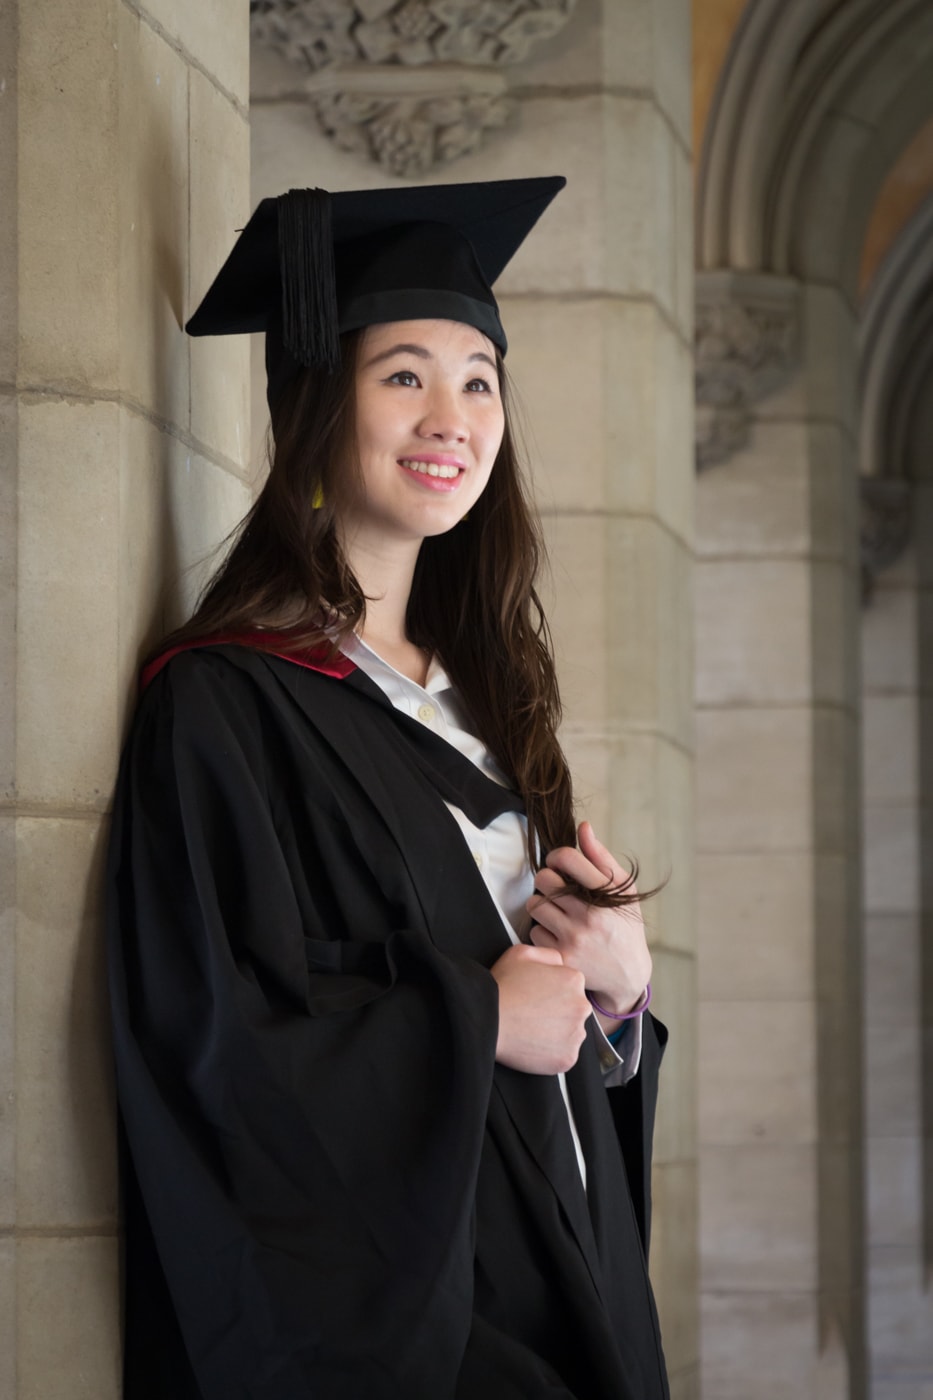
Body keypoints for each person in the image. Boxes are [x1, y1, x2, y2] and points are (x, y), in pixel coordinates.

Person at [107, 176, 670, 1400]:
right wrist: (478, 1021)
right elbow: (216, 1044)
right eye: (403, 373)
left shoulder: (497, 707)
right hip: (428, 1322)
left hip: (570, 1278)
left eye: (480, 378)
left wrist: (616, 1001)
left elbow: (560, 1028)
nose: (451, 416)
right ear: (322, 401)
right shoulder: (225, 705)